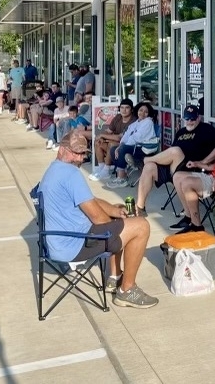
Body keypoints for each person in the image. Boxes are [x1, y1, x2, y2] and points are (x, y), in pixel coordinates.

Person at [38, 130, 158, 309]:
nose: (79, 158)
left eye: (82, 154)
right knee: (141, 226)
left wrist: (115, 211)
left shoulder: (54, 169)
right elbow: (99, 219)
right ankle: (127, 290)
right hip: (74, 245)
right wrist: (119, 220)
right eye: (75, 152)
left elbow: (90, 200)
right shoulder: (71, 174)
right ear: (62, 149)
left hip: (57, 241)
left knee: (119, 219)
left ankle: (114, 278)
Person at [134, 105, 215, 217]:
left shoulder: (207, 129)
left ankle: (144, 160)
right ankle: (140, 208)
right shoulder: (181, 132)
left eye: (193, 119)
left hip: (192, 169)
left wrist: (203, 162)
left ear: (199, 118)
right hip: (174, 167)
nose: (189, 122)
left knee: (175, 151)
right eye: (187, 119)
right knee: (149, 167)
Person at [106, 102, 156, 189]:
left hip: (144, 149)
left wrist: (122, 147)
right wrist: (120, 145)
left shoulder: (148, 122)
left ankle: (121, 179)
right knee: (113, 149)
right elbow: (126, 136)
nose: (143, 113)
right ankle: (122, 175)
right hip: (135, 147)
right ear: (137, 111)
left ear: (149, 114)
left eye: (146, 112)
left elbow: (137, 137)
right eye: (141, 110)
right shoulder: (135, 123)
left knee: (123, 149)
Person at [89, 98, 136, 181]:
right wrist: (102, 138)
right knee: (98, 142)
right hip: (116, 143)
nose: (124, 110)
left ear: (131, 110)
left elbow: (120, 138)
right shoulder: (118, 117)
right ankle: (101, 168)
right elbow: (109, 131)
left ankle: (106, 170)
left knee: (111, 144)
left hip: (127, 145)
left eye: (127, 108)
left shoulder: (133, 121)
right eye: (122, 107)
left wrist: (102, 135)